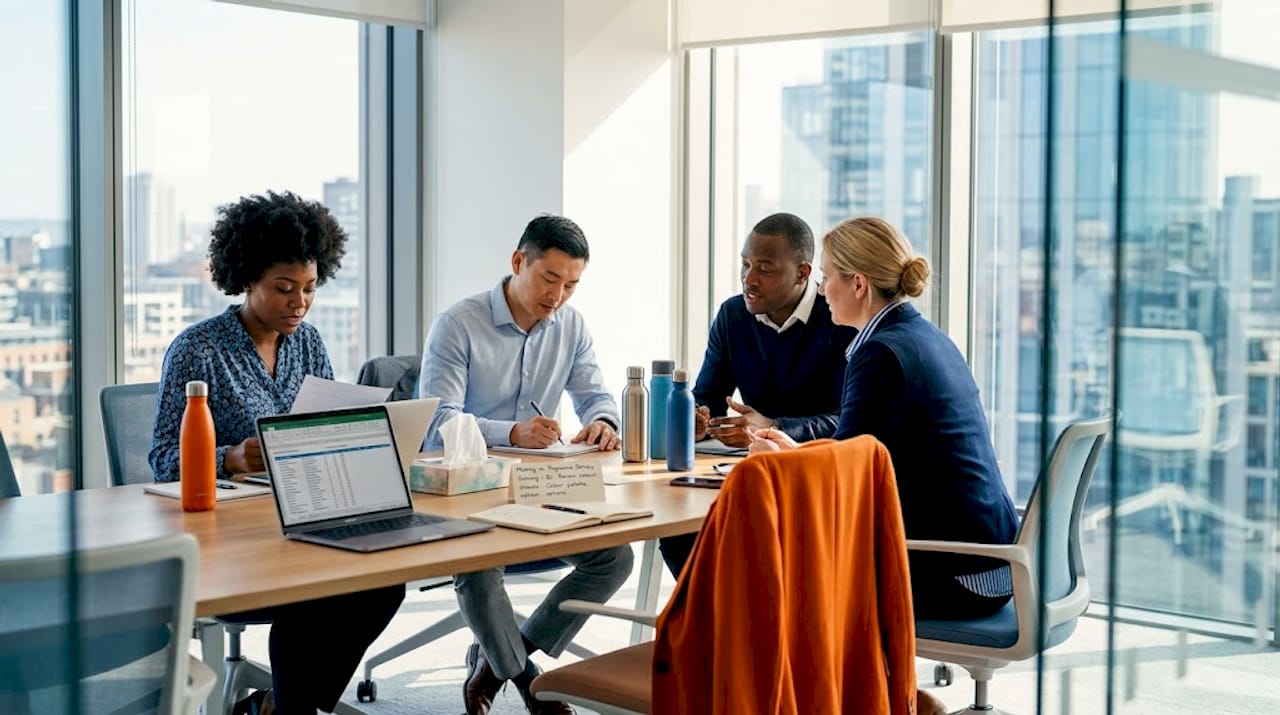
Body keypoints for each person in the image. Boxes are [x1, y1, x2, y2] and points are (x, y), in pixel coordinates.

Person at [149, 191, 405, 715]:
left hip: (304, 511)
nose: (299, 303)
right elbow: (162, 460)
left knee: (385, 582)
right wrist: (231, 458)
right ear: (247, 279)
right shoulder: (198, 349)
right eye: (283, 289)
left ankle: (276, 705)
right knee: (309, 594)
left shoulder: (308, 342)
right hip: (233, 535)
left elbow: (324, 425)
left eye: (309, 289)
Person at [751, 216, 1020, 621]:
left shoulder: (880, 355)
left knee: (768, 563)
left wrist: (782, 464)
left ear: (858, 284)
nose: (821, 291)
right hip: (995, 565)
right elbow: (861, 456)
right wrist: (796, 452)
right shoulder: (924, 337)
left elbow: (846, 485)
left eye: (827, 277)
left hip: (955, 572)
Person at [419, 214, 633, 715]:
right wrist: (511, 433)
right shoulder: (458, 324)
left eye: (571, 285)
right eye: (549, 278)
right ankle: (528, 680)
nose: (558, 296)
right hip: (471, 493)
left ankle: (498, 661)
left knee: (616, 557)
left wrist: (603, 421)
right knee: (478, 569)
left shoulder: (571, 326)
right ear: (519, 262)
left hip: (542, 488)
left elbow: (594, 394)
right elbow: (438, 422)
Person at [659, 212, 855, 577]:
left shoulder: (839, 318)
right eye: (745, 265)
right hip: (750, 471)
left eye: (765, 269)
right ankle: (720, 614)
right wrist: (700, 419)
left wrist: (773, 426)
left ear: (802, 273)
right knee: (677, 534)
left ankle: (744, 611)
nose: (749, 279)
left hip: (816, 477)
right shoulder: (733, 315)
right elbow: (708, 395)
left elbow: (847, 420)